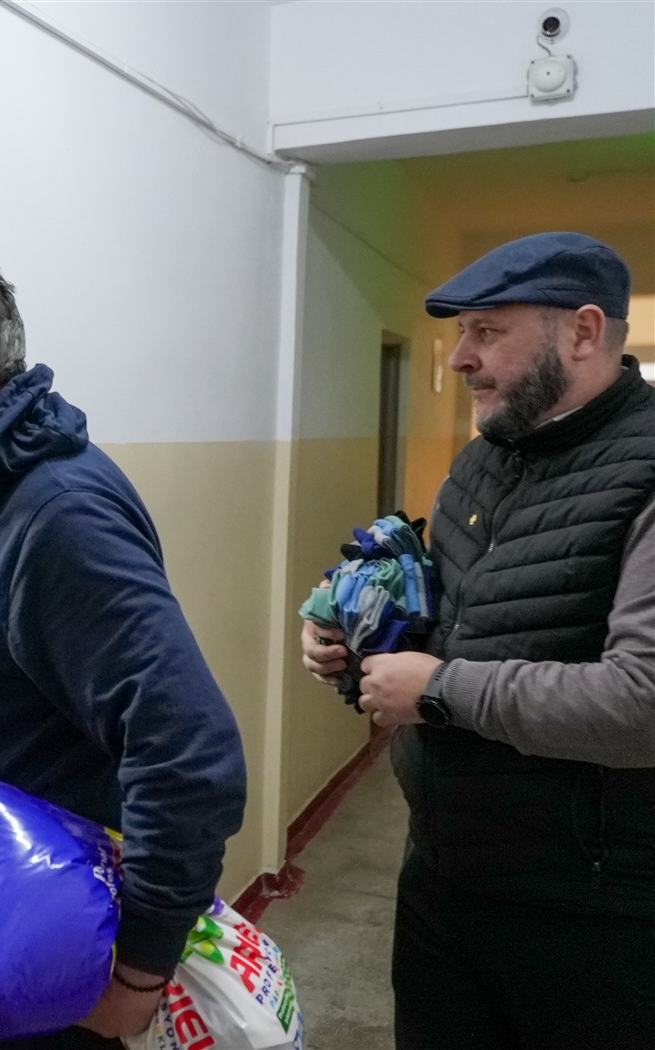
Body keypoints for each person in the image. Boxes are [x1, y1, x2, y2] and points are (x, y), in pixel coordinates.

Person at [0, 250, 248, 1048]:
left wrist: (139, 973)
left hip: (55, 974)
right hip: (2, 950)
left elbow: (189, 752)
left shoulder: (57, 515)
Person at [301, 232, 655, 1049]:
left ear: (583, 331)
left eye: (487, 332)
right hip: (443, 871)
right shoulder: (481, 463)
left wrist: (437, 690)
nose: (460, 358)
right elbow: (454, 620)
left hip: (593, 912)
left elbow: (643, 702)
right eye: (462, 333)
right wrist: (353, 640)